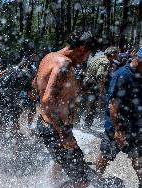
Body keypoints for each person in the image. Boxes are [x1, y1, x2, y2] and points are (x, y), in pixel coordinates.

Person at [32, 31, 98, 187]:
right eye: (87, 55)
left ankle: (52, 184)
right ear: (81, 48)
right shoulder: (64, 63)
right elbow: (47, 100)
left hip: (48, 125)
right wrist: (63, 132)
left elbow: (35, 84)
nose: (85, 60)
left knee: (62, 163)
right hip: (56, 129)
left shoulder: (49, 57)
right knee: (82, 181)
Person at [96, 48, 142, 188]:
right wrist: (118, 130)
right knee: (106, 154)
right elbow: (113, 105)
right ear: (139, 61)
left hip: (135, 125)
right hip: (117, 125)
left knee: (138, 157)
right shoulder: (122, 75)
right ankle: (97, 179)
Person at [83, 46, 120, 128]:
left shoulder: (100, 57)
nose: (117, 57)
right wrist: (101, 91)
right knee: (92, 106)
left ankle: (85, 122)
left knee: (88, 104)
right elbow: (100, 77)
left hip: (87, 83)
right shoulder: (105, 62)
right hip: (93, 85)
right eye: (116, 55)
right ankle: (87, 125)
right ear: (112, 55)